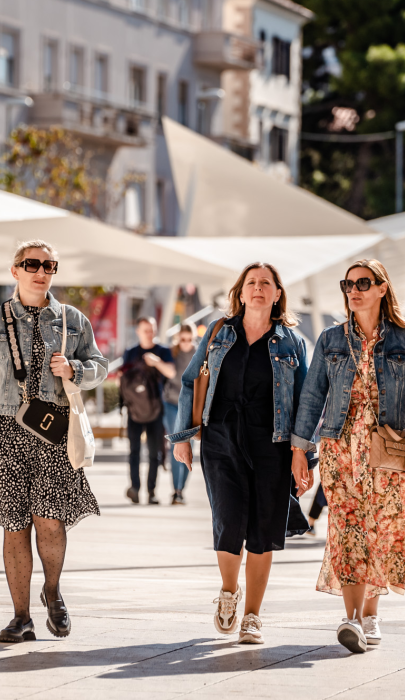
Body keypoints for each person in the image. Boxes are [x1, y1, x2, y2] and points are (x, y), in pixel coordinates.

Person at [0, 240, 108, 644]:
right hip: (4, 430)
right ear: (14, 270)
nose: (41, 271)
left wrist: (76, 369)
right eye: (31, 264)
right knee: (13, 524)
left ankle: (52, 592)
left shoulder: (72, 320)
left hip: (54, 430)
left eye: (49, 265)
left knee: (50, 520)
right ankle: (21, 617)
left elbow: (101, 366)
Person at [291, 258, 405, 654]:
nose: (353, 290)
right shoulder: (331, 340)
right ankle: (351, 617)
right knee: (347, 530)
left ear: (381, 288)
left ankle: (370, 615)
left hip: (387, 452)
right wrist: (299, 449)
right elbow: (311, 397)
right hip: (339, 449)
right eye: (348, 284)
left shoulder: (404, 340)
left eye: (362, 283)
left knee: (383, 532)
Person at [169, 262, 310, 645]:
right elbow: (189, 381)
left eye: (267, 283)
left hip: (274, 446)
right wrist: (182, 436)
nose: (259, 288)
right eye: (252, 283)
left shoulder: (292, 342)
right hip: (221, 440)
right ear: (241, 292)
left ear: (278, 293)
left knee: (263, 530)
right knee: (228, 522)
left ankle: (252, 617)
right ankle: (229, 592)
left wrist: (302, 453)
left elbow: (306, 400)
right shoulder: (218, 333)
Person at [120, 316, 175, 504]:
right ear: (138, 331)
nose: (149, 333)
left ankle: (151, 491)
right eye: (145, 330)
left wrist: (156, 362)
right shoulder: (130, 352)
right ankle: (135, 488)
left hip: (156, 409)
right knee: (134, 451)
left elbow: (172, 372)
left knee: (155, 453)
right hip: (134, 409)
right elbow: (123, 379)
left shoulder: (162, 351)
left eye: (151, 329)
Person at [164, 322, 197, 505]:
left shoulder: (199, 353)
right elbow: (171, 376)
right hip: (171, 404)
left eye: (189, 339)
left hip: (192, 408)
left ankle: (181, 489)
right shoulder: (171, 352)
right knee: (177, 446)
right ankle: (176, 490)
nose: (186, 343)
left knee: (189, 447)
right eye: (182, 339)